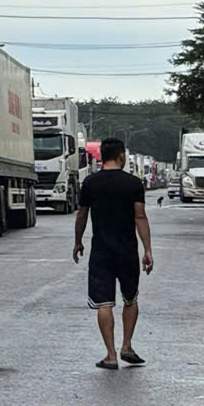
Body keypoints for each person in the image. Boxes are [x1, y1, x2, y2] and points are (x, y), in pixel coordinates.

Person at [73, 135, 153, 369]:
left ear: (103, 157)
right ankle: (126, 345)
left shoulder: (90, 183)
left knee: (104, 303)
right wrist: (147, 249)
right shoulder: (133, 183)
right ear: (121, 156)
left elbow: (82, 215)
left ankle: (110, 355)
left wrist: (78, 242)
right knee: (131, 298)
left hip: (101, 251)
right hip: (127, 250)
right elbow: (140, 217)